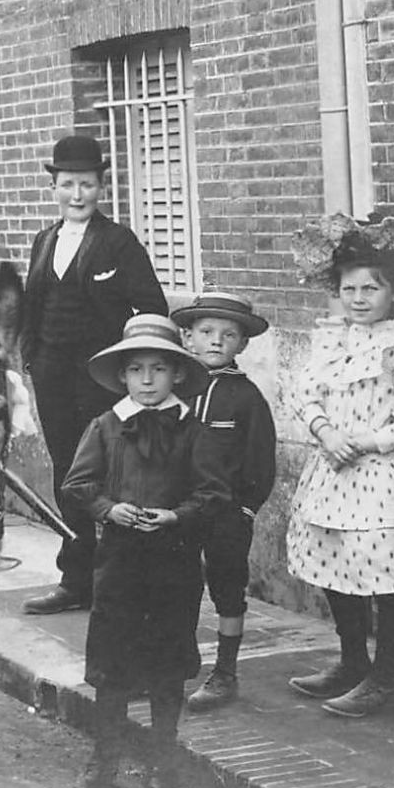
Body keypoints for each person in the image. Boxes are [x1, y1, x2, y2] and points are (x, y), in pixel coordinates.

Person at [61, 314, 228, 788]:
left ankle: (163, 760)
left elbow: (214, 493)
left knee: (165, 665)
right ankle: (104, 760)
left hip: (173, 565)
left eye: (159, 369)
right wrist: (110, 510)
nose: (148, 380)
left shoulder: (193, 431)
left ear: (177, 374)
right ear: (123, 377)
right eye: (137, 370)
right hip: (119, 564)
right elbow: (77, 484)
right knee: (112, 666)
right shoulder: (106, 426)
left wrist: (176, 517)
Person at [284, 214, 394, 718]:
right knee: (336, 564)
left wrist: (365, 440)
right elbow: (305, 393)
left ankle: (386, 676)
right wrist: (326, 431)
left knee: (384, 576)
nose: (359, 297)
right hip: (333, 470)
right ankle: (352, 660)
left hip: (384, 477)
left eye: (373, 288)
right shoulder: (330, 341)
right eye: (350, 288)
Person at [20, 134, 168, 615]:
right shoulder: (45, 241)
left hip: (101, 378)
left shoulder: (118, 242)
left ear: (101, 187)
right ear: (54, 188)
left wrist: (129, 370)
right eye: (67, 185)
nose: (77, 195)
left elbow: (151, 309)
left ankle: (123, 580)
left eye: (86, 184)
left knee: (116, 471)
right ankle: (75, 579)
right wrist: (30, 360)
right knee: (69, 473)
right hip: (52, 376)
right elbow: (32, 308)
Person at [171, 291, 277, 712]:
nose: (216, 341)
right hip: (177, 513)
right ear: (188, 337)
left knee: (227, 589)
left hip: (224, 516)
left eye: (229, 334)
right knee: (176, 586)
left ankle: (225, 672)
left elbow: (261, 463)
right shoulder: (172, 387)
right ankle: (175, 663)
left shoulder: (246, 398)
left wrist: (245, 510)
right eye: (207, 332)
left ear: (243, 344)